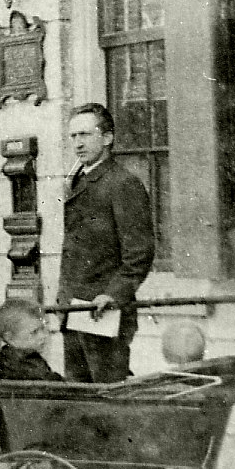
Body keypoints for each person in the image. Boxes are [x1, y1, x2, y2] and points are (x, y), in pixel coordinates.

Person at [57, 103, 155, 383]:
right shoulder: (79, 180)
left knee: (108, 396)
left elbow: (139, 254)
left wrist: (113, 295)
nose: (78, 143)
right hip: (75, 311)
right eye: (74, 136)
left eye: (85, 135)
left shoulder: (122, 183)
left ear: (107, 138)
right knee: (79, 398)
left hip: (105, 314)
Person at [0, 301, 64, 382]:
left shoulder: (10, 357)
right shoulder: (25, 364)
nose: (43, 336)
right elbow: (51, 381)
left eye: (43, 329)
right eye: (34, 332)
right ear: (10, 338)